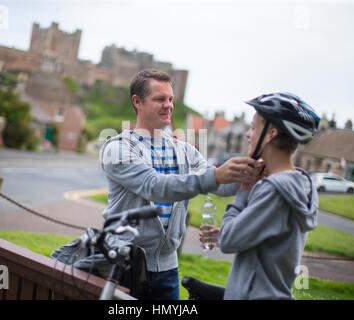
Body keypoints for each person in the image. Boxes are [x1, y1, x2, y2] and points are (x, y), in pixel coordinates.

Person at [99, 68, 259, 300]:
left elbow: (221, 187)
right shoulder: (118, 148)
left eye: (171, 99)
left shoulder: (184, 151)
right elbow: (155, 187)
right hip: (123, 266)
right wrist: (215, 176)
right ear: (137, 101)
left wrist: (248, 172)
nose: (168, 105)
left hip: (167, 269)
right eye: (159, 99)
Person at [202, 92, 321, 300]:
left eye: (254, 127)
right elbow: (272, 242)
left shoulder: (274, 189)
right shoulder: (299, 184)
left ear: (271, 133)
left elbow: (229, 240)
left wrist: (244, 192)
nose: (248, 134)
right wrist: (243, 228)